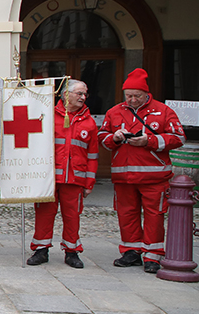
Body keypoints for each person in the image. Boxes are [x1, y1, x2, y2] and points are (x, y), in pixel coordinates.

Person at [98, 68, 184, 274]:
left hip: (154, 176)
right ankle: (131, 251)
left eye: (137, 96)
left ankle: (153, 255)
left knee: (154, 215)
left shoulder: (163, 111)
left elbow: (179, 138)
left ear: (146, 94)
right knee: (126, 214)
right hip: (123, 177)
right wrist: (116, 138)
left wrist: (150, 140)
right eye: (129, 96)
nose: (133, 100)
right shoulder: (114, 111)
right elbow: (102, 137)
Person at [28, 80, 99, 269]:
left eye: (85, 94)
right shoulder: (48, 115)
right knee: (43, 214)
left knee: (72, 216)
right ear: (66, 94)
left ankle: (72, 252)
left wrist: (89, 182)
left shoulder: (90, 123)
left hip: (75, 179)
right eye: (79, 94)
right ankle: (41, 249)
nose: (83, 98)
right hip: (49, 179)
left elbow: (92, 156)